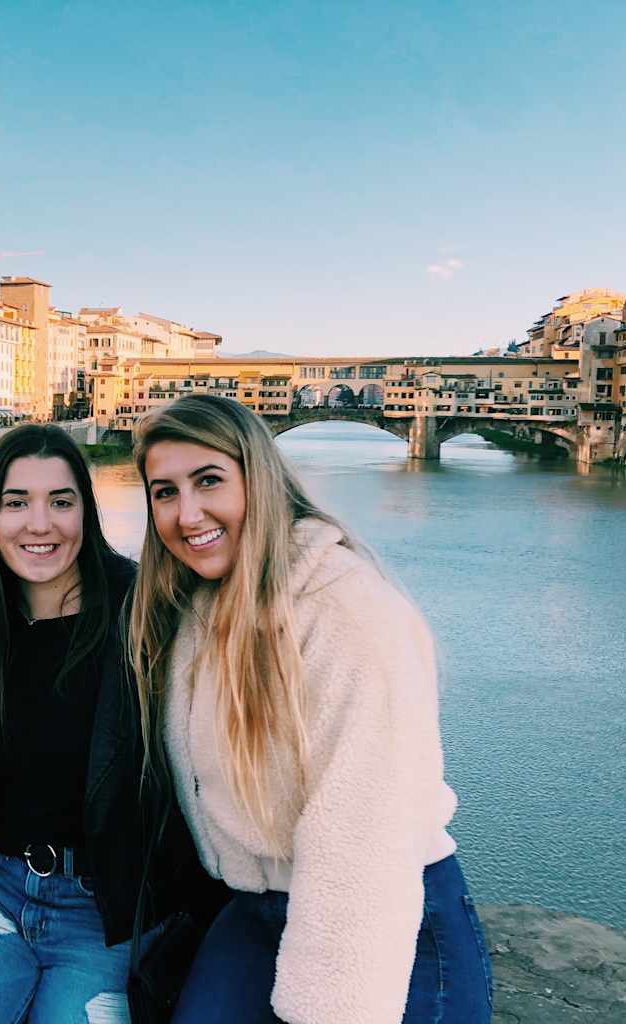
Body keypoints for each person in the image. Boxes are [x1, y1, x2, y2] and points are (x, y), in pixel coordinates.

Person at [128, 394, 492, 1024]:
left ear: (259, 481)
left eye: (209, 481)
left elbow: (364, 835)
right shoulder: (198, 604)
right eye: (165, 492)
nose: (187, 514)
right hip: (258, 908)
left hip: (384, 925)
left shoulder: (346, 610)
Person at [0, 424, 210, 1024]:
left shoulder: (143, 613)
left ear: (86, 512)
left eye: (61, 501)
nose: (39, 524)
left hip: (102, 912)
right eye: (16, 502)